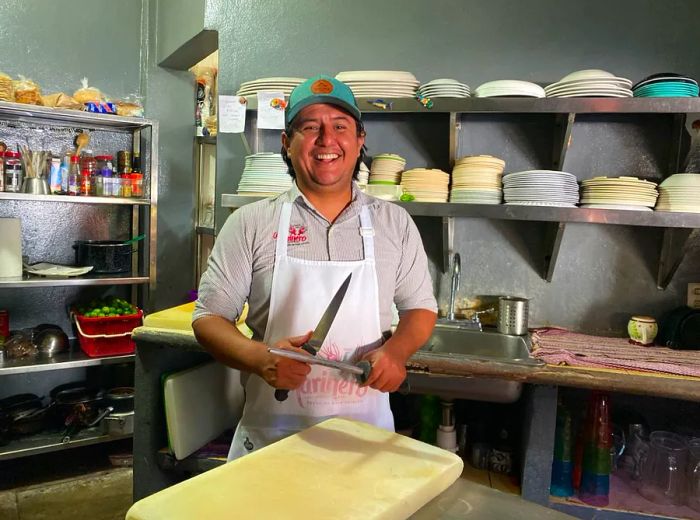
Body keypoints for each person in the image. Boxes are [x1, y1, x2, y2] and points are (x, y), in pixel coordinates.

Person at [192, 74, 437, 460]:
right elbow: (208, 318)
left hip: (364, 442)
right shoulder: (251, 222)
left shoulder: (394, 223)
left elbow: (420, 307)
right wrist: (261, 358)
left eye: (340, 127)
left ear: (359, 141)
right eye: (310, 127)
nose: (326, 140)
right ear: (287, 144)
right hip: (272, 443)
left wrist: (397, 352)